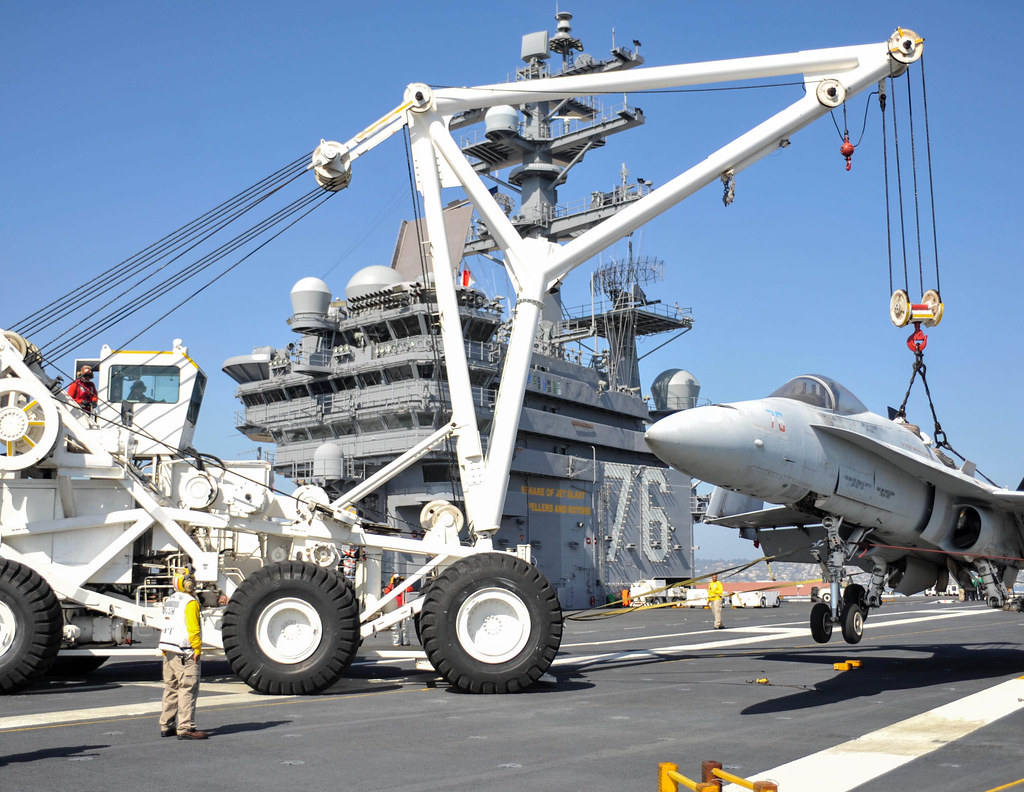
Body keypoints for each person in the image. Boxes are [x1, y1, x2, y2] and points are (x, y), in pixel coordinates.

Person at [158, 571, 209, 740]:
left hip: (168, 649)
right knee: (188, 687)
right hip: (184, 650)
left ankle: (167, 725)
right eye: (192, 580)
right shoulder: (190, 602)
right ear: (187, 583)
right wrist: (197, 649)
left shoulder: (171, 599)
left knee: (171, 687)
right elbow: (193, 629)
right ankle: (186, 727)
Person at [383, 574, 411, 646]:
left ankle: (406, 642)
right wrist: (391, 583)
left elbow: (410, 589)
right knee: (396, 627)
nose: (397, 581)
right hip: (394, 608)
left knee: (405, 626)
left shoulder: (403, 586)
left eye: (398, 579)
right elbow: (386, 591)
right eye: (396, 579)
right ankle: (396, 643)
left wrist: (404, 582)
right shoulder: (391, 587)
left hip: (403, 606)